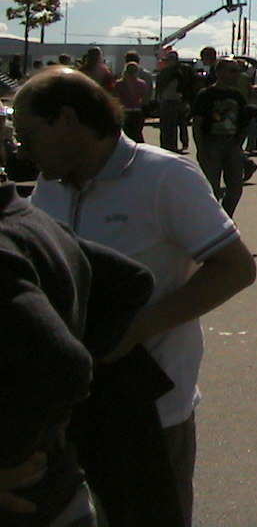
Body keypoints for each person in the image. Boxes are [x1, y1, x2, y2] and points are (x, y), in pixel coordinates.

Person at [19, 68, 257, 526]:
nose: (22, 150)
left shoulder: (164, 176)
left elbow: (236, 268)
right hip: (64, 409)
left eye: (29, 136)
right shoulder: (51, 181)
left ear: (67, 120)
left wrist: (137, 330)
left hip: (147, 410)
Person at [2, 168, 155, 527]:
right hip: (61, 483)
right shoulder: (30, 219)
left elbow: (64, 364)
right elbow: (130, 281)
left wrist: (15, 452)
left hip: (27, 500)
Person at [189, 59, 252, 217]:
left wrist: (239, 143)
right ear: (219, 72)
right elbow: (197, 122)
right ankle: (214, 221)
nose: (236, 75)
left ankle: (226, 217)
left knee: (236, 188)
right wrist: (200, 148)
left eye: (237, 71)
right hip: (211, 144)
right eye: (232, 71)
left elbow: (244, 121)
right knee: (212, 188)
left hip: (232, 145)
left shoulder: (237, 95)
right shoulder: (206, 95)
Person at [154, 52, 194, 153]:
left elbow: (187, 86)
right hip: (167, 100)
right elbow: (159, 86)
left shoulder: (182, 71)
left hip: (177, 100)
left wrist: (186, 99)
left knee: (176, 124)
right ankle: (167, 145)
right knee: (167, 125)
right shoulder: (165, 72)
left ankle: (173, 145)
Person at [113, 59, 152, 144]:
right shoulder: (141, 84)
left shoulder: (119, 84)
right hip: (137, 111)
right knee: (137, 136)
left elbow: (115, 98)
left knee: (125, 138)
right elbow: (145, 99)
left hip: (124, 111)